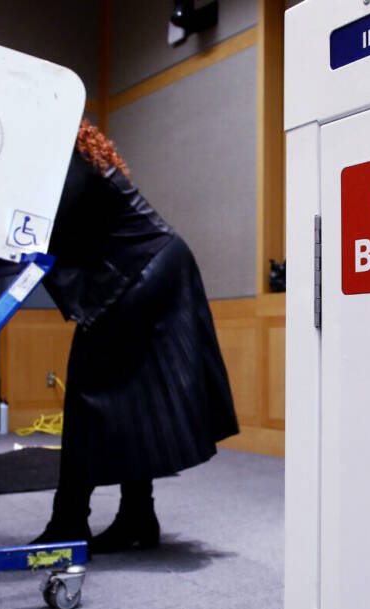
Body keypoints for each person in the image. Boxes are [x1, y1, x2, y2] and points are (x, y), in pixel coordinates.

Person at [31, 119, 239, 553]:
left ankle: (70, 521)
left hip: (140, 270)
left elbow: (47, 226)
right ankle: (137, 517)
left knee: (87, 395)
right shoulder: (79, 151)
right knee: (133, 397)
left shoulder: (64, 158)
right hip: (155, 263)